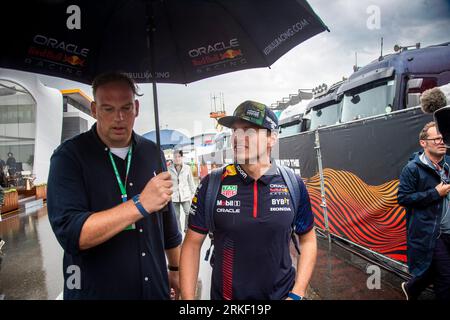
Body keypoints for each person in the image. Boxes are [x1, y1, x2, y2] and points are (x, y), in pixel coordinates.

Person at [47, 72, 182, 300]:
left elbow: (167, 223)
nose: (119, 117)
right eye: (108, 108)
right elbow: (72, 234)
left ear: (136, 108)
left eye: (126, 108)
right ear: (94, 109)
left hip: (154, 291)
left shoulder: (152, 153)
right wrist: (139, 204)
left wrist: (175, 270)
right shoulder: (68, 157)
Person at [180, 100, 317, 300]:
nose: (238, 137)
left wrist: (297, 293)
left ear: (272, 138)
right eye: (235, 131)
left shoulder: (293, 184)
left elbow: (308, 239)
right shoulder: (212, 184)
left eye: (249, 130)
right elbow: (192, 244)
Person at [398, 121, 450, 300]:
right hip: (431, 233)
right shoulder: (412, 169)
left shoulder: (448, 165)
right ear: (423, 143)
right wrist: (434, 193)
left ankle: (411, 288)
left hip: (448, 230)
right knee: (445, 277)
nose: (441, 142)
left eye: (443, 138)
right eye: (436, 139)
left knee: (435, 269)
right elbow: (403, 198)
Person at [169, 150, 196, 232]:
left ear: (182, 157)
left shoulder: (187, 168)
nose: (177, 158)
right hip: (174, 196)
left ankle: (186, 228)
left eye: (179, 156)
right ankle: (178, 231)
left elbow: (191, 182)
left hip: (185, 195)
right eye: (175, 157)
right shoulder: (168, 169)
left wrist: (194, 194)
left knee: (188, 212)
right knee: (176, 216)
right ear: (173, 158)